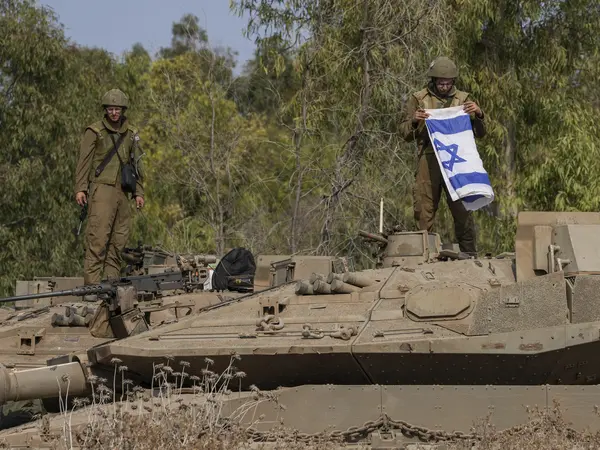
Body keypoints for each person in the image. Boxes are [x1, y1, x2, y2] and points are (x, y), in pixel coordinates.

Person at [400, 56, 486, 255]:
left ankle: (469, 255)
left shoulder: (463, 99)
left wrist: (479, 114)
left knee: (463, 210)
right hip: (428, 158)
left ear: (453, 81)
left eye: (448, 83)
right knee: (424, 209)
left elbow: (480, 133)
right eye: (441, 83)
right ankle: (423, 256)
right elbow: (404, 133)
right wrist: (414, 121)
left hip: (457, 160)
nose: (444, 87)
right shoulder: (419, 99)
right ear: (433, 80)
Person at [74, 89, 145, 286]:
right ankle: (92, 287)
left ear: (123, 110)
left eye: (117, 109)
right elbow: (83, 162)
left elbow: (137, 165)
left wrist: (139, 192)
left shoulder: (131, 134)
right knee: (98, 240)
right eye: (111, 109)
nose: (114, 113)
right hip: (101, 190)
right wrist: (81, 188)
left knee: (119, 241)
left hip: (123, 191)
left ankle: (110, 284)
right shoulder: (95, 131)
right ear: (105, 110)